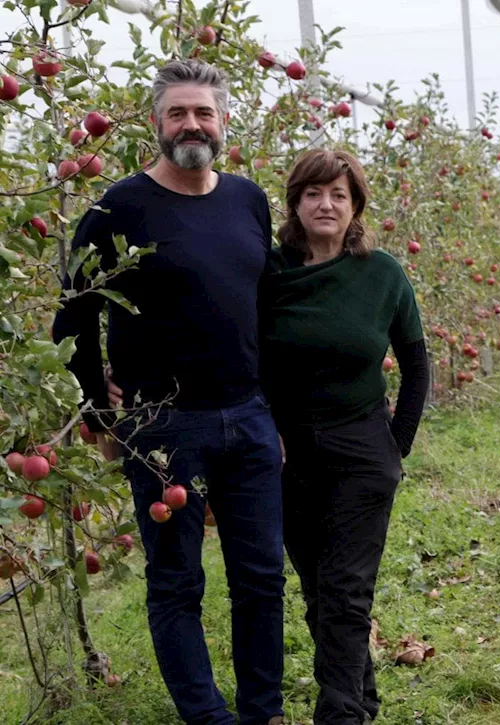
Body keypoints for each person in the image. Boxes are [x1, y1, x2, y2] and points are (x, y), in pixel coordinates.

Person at [51, 59, 287, 725]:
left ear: (224, 123)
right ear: (156, 123)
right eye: (178, 112)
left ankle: (263, 709)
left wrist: (278, 410)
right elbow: (74, 313)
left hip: (248, 415)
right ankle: (207, 716)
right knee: (178, 579)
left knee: (261, 576)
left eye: (203, 112)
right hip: (162, 427)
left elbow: (261, 307)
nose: (192, 123)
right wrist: (99, 406)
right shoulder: (116, 206)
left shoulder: (249, 199)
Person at [258, 148, 430, 725]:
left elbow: (416, 362)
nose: (325, 204)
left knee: (347, 588)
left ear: (355, 205)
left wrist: (395, 443)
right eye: (313, 193)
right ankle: (363, 697)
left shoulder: (382, 274)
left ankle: (339, 715)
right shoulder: (267, 273)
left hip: (361, 448)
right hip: (285, 452)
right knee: (316, 588)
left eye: (338, 194)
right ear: (295, 203)